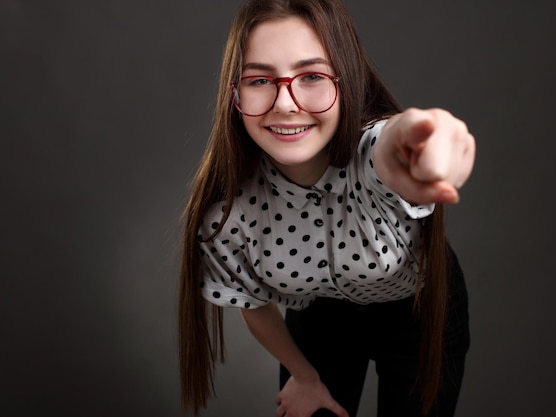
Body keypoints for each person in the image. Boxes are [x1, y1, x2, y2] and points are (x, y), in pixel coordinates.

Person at [178, 0, 475, 416]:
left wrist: (429, 141)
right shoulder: (227, 216)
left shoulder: (371, 156)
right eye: (260, 80)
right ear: (234, 94)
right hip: (320, 320)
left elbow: (393, 143)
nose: (285, 104)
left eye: (312, 76)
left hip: (417, 312)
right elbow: (253, 303)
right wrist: (303, 375)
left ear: (346, 82)